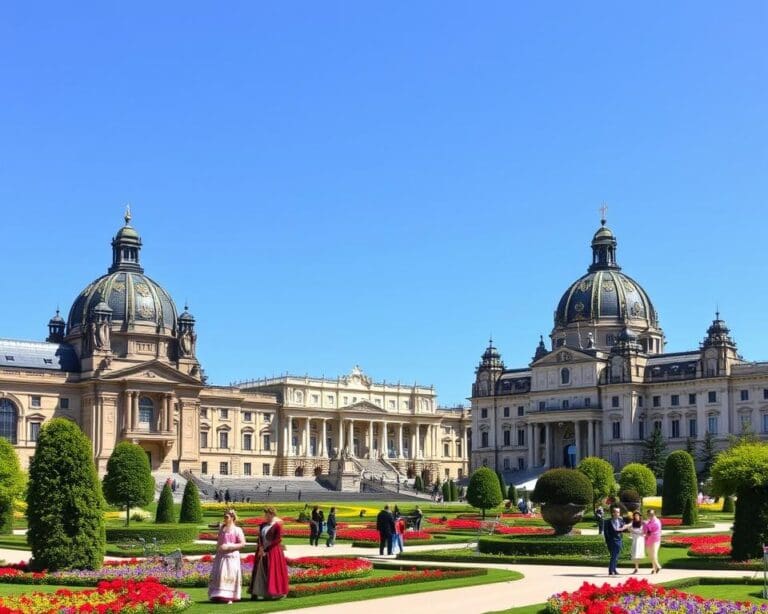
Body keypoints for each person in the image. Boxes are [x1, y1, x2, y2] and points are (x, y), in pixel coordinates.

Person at [249, 506, 289, 600]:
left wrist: (267, 550)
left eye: (267, 514)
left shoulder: (277, 526)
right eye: (265, 514)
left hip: (273, 551)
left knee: (271, 570)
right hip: (262, 550)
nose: (265, 516)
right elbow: (259, 538)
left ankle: (274, 592)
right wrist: (261, 548)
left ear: (272, 515)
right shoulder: (262, 525)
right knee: (259, 570)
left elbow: (278, 539)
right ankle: (257, 591)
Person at [208, 508, 246, 604]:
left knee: (230, 575)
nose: (224, 518)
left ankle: (230, 596)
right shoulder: (222, 528)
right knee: (220, 575)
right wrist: (219, 548)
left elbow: (242, 544)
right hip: (221, 556)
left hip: (232, 557)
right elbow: (219, 542)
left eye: (226, 517)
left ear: (232, 518)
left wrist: (229, 546)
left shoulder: (237, 530)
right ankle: (218, 595)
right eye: (224, 517)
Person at [603, 507, 628, 575]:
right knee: (614, 556)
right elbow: (606, 533)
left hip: (619, 540)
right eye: (616, 512)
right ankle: (611, 570)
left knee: (616, 556)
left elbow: (624, 529)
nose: (618, 513)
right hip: (611, 541)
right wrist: (607, 541)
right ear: (613, 513)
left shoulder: (621, 521)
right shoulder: (607, 521)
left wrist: (625, 527)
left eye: (618, 512)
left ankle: (613, 569)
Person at [644, 509, 662, 574]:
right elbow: (646, 531)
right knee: (649, 554)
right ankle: (654, 568)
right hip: (649, 539)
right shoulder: (648, 522)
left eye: (651, 514)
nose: (650, 516)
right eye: (648, 514)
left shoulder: (657, 522)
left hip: (655, 539)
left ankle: (658, 566)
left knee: (654, 553)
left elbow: (655, 532)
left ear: (654, 514)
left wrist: (648, 533)